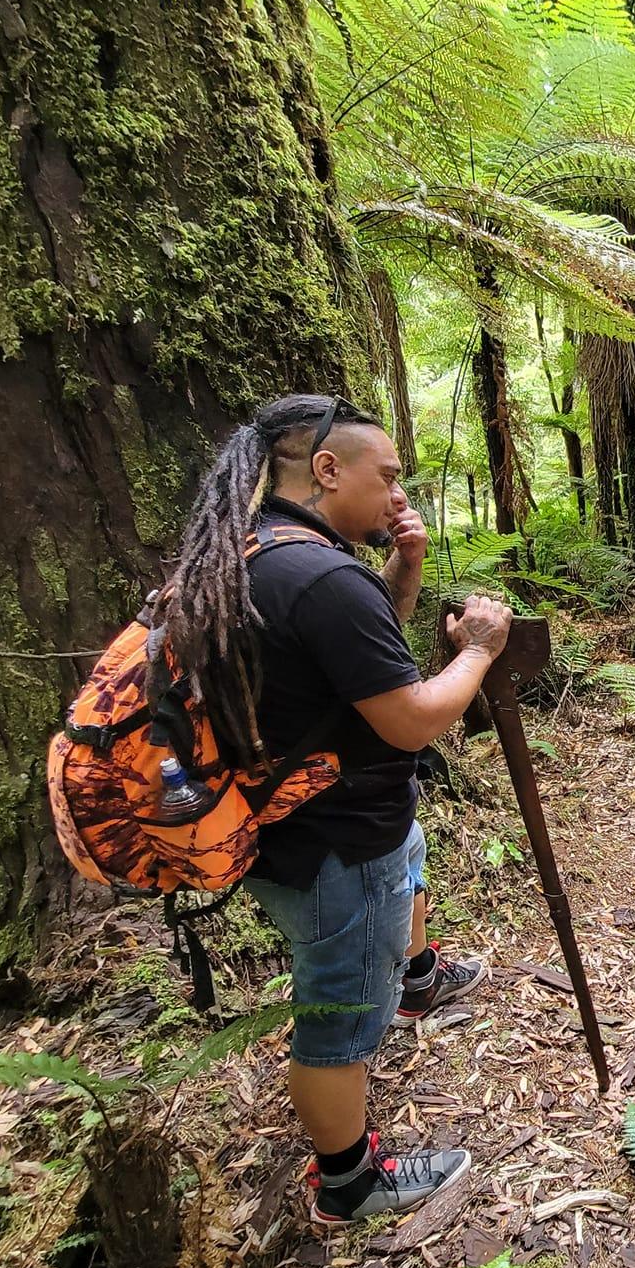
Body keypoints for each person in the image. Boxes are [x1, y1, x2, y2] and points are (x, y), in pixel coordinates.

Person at [166, 395, 503, 1226]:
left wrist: (405, 571)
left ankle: (419, 978)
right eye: (386, 476)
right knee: (341, 1006)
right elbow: (411, 715)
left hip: (309, 819)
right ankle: (348, 1179)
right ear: (326, 470)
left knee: (412, 855)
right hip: (332, 846)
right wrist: (480, 651)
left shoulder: (261, 553)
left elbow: (352, 658)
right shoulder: (320, 575)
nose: (397, 494)